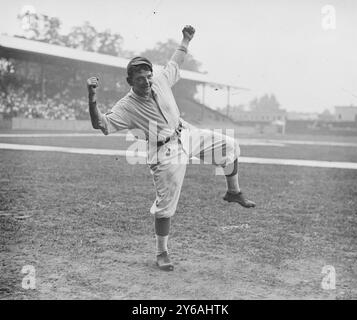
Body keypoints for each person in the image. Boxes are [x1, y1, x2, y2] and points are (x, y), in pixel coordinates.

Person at [87, 25, 256, 271]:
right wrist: (92, 98)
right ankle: (161, 252)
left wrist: (186, 39)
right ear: (129, 81)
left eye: (147, 76)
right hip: (163, 150)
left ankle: (233, 192)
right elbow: (100, 124)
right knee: (166, 205)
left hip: (185, 132)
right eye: (139, 79)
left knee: (230, 146)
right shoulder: (126, 106)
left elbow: (176, 60)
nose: (145, 82)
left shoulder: (161, 79)